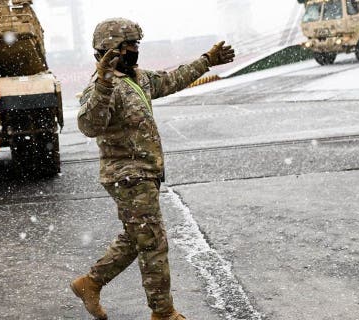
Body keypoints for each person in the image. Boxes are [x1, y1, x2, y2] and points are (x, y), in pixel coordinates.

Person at [70, 18, 235, 320]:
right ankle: (163, 313)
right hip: (128, 176)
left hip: (145, 174)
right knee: (154, 244)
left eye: (136, 44)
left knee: (139, 238)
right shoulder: (102, 86)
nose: (135, 50)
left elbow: (172, 79)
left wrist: (207, 60)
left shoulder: (137, 78)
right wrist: (104, 81)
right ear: (112, 50)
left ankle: (90, 283)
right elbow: (89, 125)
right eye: (130, 45)